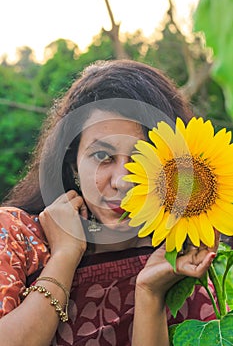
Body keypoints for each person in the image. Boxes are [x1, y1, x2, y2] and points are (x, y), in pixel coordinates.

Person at [0, 60, 218, 346]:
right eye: (103, 156)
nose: (122, 182)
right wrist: (65, 255)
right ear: (73, 165)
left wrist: (150, 293)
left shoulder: (181, 252)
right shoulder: (17, 236)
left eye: (141, 159)